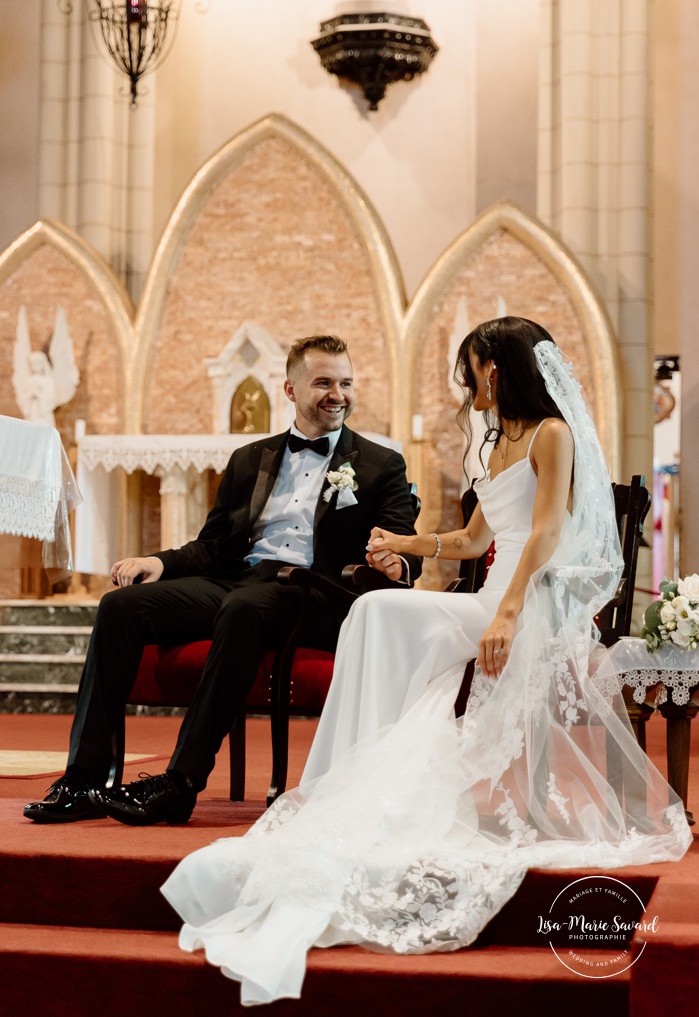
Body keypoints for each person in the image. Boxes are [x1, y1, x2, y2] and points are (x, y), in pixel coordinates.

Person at [160, 317, 692, 1007]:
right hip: (486, 599)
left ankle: (376, 777)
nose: (459, 382)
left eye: (466, 367)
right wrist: (406, 546)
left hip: (526, 604)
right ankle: (346, 778)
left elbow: (547, 530)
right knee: (376, 610)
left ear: (493, 371)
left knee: (392, 615)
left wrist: (506, 614)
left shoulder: (552, 434)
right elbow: (473, 540)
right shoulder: (491, 438)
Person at [24, 334, 420, 826]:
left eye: (345, 382)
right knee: (121, 607)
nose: (337, 394)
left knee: (244, 609)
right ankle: (83, 780)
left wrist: (397, 562)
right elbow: (213, 547)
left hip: (313, 593)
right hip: (239, 581)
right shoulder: (249, 459)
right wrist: (161, 563)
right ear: (290, 390)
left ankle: (181, 782)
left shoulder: (381, 464)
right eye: (323, 382)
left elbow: (405, 546)